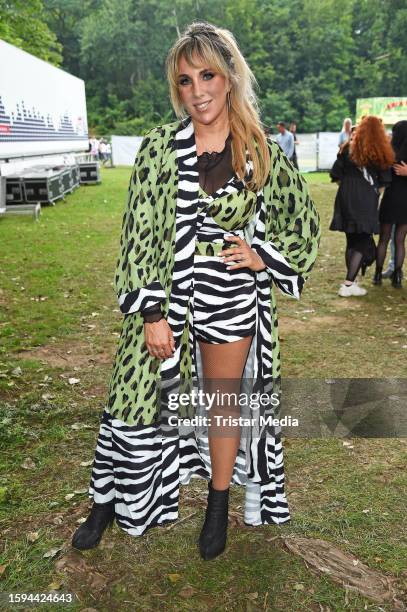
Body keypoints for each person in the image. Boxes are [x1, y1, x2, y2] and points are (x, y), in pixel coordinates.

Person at [71, 21, 320, 561]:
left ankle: (217, 504)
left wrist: (262, 256)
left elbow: (301, 224)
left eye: (207, 75)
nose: (197, 90)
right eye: (185, 80)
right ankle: (107, 499)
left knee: (222, 405)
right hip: (167, 295)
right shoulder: (160, 147)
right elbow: (138, 232)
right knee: (133, 395)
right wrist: (151, 312)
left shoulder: (263, 150)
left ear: (230, 76)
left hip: (232, 297)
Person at [329, 117, 394, 297]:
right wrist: (373, 193)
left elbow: (336, 174)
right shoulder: (381, 152)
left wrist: (348, 188)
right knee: (363, 239)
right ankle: (348, 284)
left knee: (351, 239)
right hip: (366, 197)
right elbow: (385, 181)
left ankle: (354, 280)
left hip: (345, 195)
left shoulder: (346, 148)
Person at [374, 120, 407, 288]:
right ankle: (397, 277)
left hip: (391, 198)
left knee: (384, 239)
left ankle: (378, 275)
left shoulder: (389, 154)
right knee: (400, 240)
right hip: (405, 202)